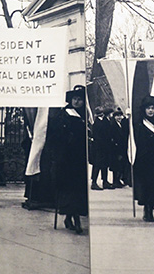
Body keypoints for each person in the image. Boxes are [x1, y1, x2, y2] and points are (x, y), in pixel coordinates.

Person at [42, 85, 88, 234]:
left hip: (79, 160)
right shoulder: (63, 115)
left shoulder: (85, 117)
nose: (77, 102)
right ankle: (75, 220)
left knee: (77, 191)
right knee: (69, 190)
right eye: (75, 98)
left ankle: (70, 216)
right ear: (70, 99)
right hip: (65, 159)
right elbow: (54, 137)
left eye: (80, 99)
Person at [90, 106, 112, 190]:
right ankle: (94, 182)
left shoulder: (105, 121)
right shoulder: (96, 123)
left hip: (106, 146)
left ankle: (105, 181)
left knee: (105, 165)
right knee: (97, 164)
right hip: (99, 147)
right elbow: (96, 136)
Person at [108, 107, 131, 188]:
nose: (119, 117)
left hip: (121, 147)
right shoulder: (113, 124)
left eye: (120, 116)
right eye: (117, 116)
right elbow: (113, 137)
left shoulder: (121, 124)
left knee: (120, 165)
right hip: (116, 148)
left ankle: (118, 180)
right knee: (116, 165)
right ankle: (115, 181)